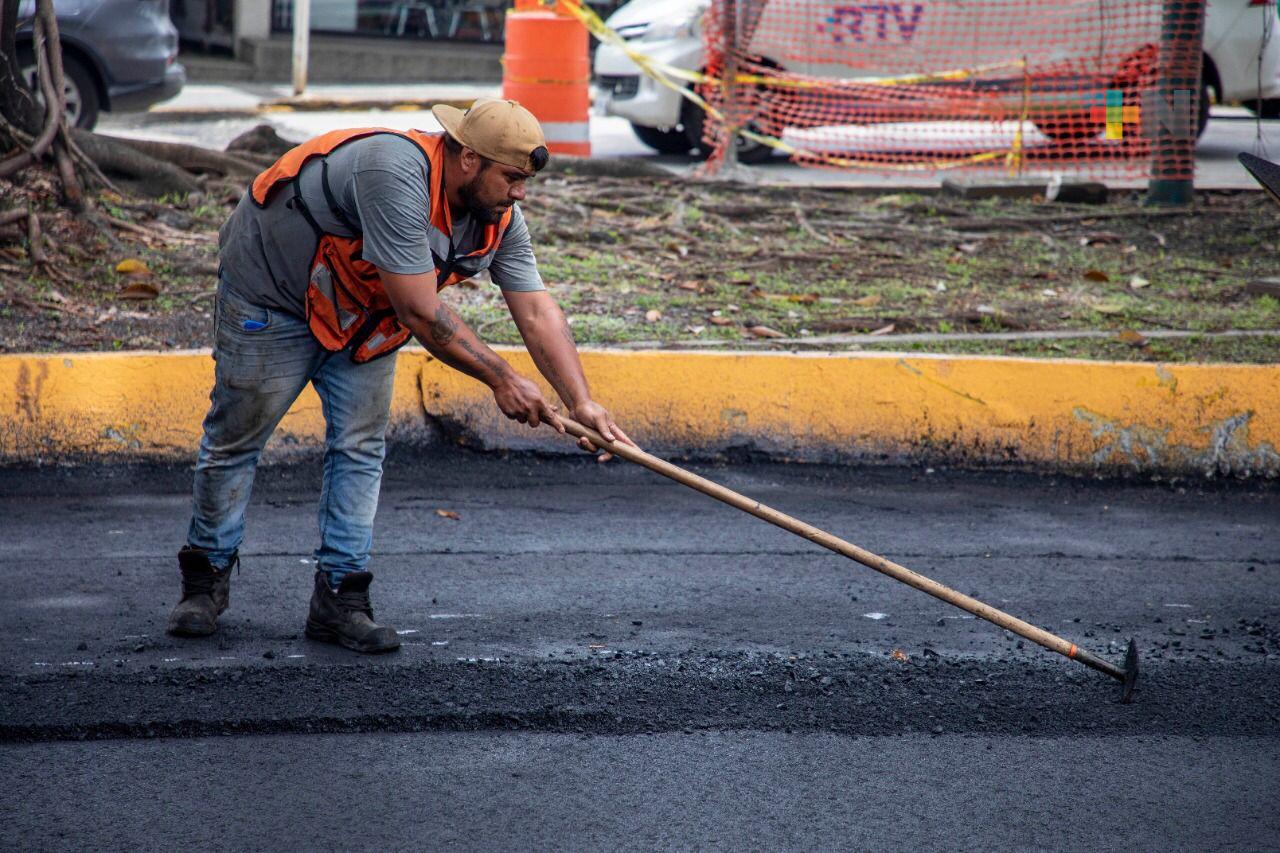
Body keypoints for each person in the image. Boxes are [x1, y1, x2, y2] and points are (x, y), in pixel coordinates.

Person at [166, 98, 633, 653]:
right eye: (511, 178)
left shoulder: (498, 217)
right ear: (467, 160)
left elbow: (535, 309)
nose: (520, 193)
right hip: (274, 297)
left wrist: (581, 401)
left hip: (361, 312)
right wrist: (502, 378)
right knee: (236, 440)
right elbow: (419, 310)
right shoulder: (393, 170)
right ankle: (204, 584)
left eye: (524, 181)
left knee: (361, 447)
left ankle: (341, 598)